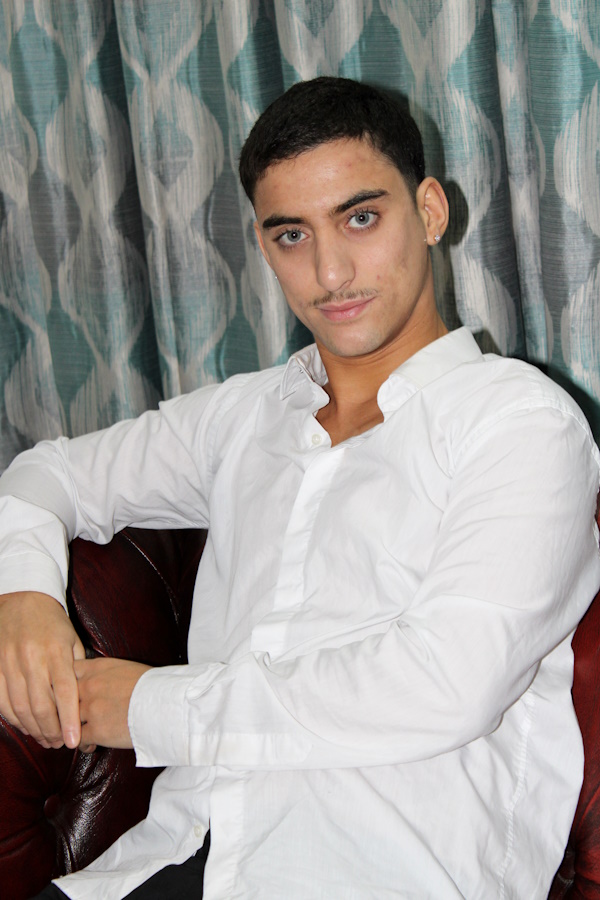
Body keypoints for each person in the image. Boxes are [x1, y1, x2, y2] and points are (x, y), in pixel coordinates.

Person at [0, 76, 599, 900]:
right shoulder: (244, 417)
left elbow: (443, 683)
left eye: (361, 218)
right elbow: (46, 475)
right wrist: (23, 597)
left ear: (430, 211)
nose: (330, 270)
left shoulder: (520, 422)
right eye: (291, 235)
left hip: (378, 875)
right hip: (174, 860)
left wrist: (150, 708)